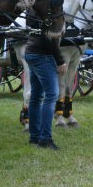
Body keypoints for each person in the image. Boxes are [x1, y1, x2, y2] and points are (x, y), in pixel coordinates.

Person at [25, 12, 66, 150]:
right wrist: (60, 61)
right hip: (43, 55)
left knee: (36, 95)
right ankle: (45, 139)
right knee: (51, 95)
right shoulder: (50, 9)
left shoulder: (35, 8)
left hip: (31, 51)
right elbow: (52, 40)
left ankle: (34, 136)